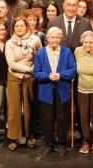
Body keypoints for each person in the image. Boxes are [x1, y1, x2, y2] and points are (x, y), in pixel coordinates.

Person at [33, 27, 77, 155]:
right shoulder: (41, 53)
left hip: (62, 89)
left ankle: (62, 144)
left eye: (57, 37)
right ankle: (49, 144)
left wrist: (61, 75)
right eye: (52, 37)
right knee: (47, 118)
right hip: (46, 90)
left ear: (61, 38)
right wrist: (48, 76)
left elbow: (73, 70)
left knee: (62, 117)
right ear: (47, 38)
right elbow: (36, 72)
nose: (55, 40)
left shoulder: (67, 52)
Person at [5, 17, 42, 151]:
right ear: (13, 28)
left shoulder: (35, 40)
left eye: (22, 26)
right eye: (17, 26)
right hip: (14, 76)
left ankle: (29, 135)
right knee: (14, 108)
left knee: (29, 107)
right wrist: (29, 69)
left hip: (30, 78)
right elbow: (11, 64)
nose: (19, 28)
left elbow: (40, 56)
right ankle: (13, 137)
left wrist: (34, 70)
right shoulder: (9, 43)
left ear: (27, 27)